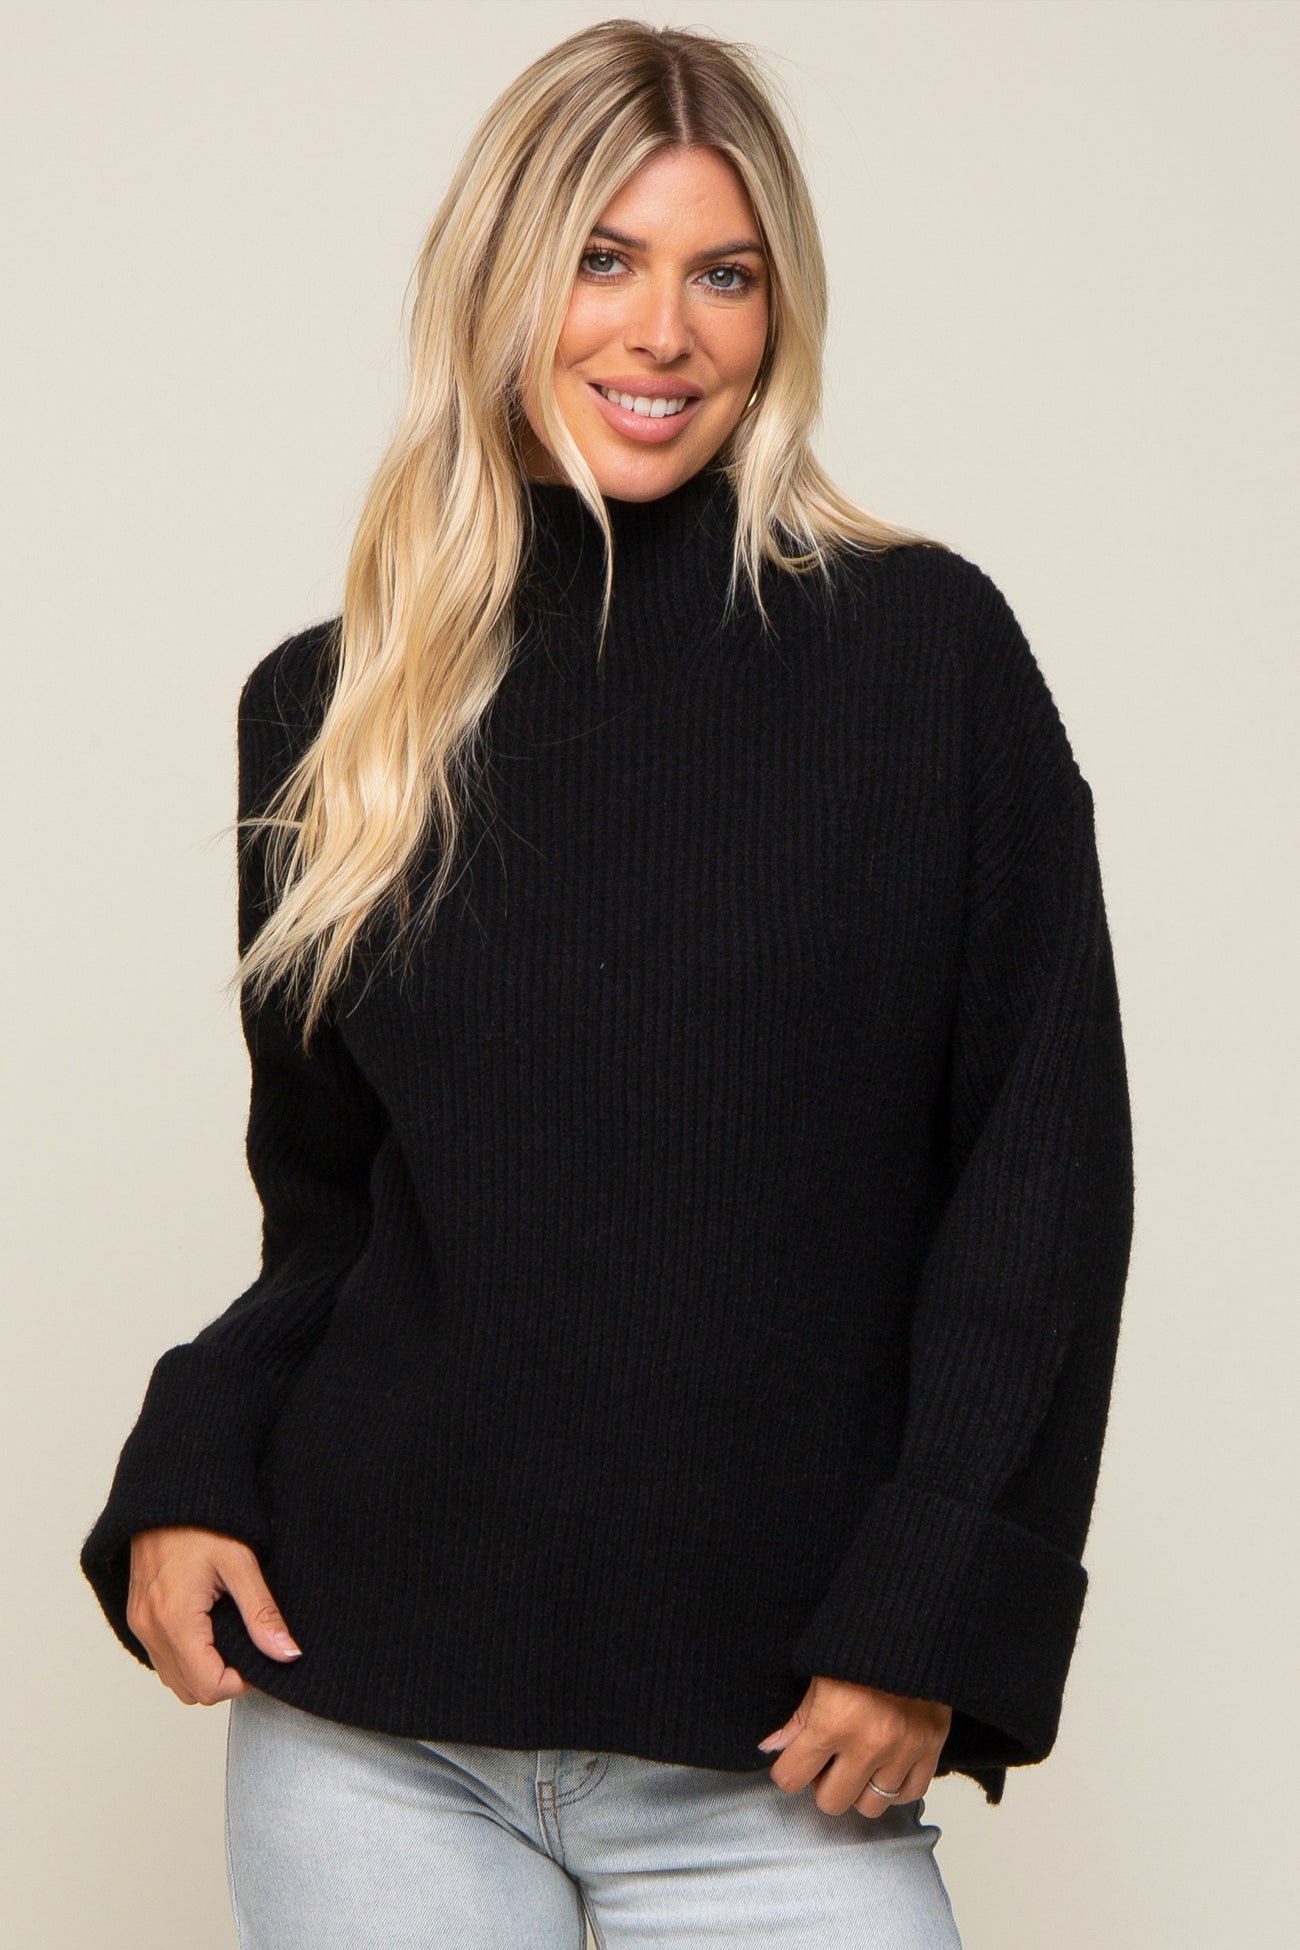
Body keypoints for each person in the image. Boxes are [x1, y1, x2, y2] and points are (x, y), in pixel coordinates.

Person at [79, 19, 1135, 1948]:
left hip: (777, 1751)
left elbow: (1042, 1179)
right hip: (368, 1724)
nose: (664, 332)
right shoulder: (332, 706)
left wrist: (932, 1605)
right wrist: (194, 1455)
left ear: (777, 309)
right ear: (500, 280)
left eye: (722, 273)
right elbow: (336, 1214)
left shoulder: (926, 658)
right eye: (602, 259)